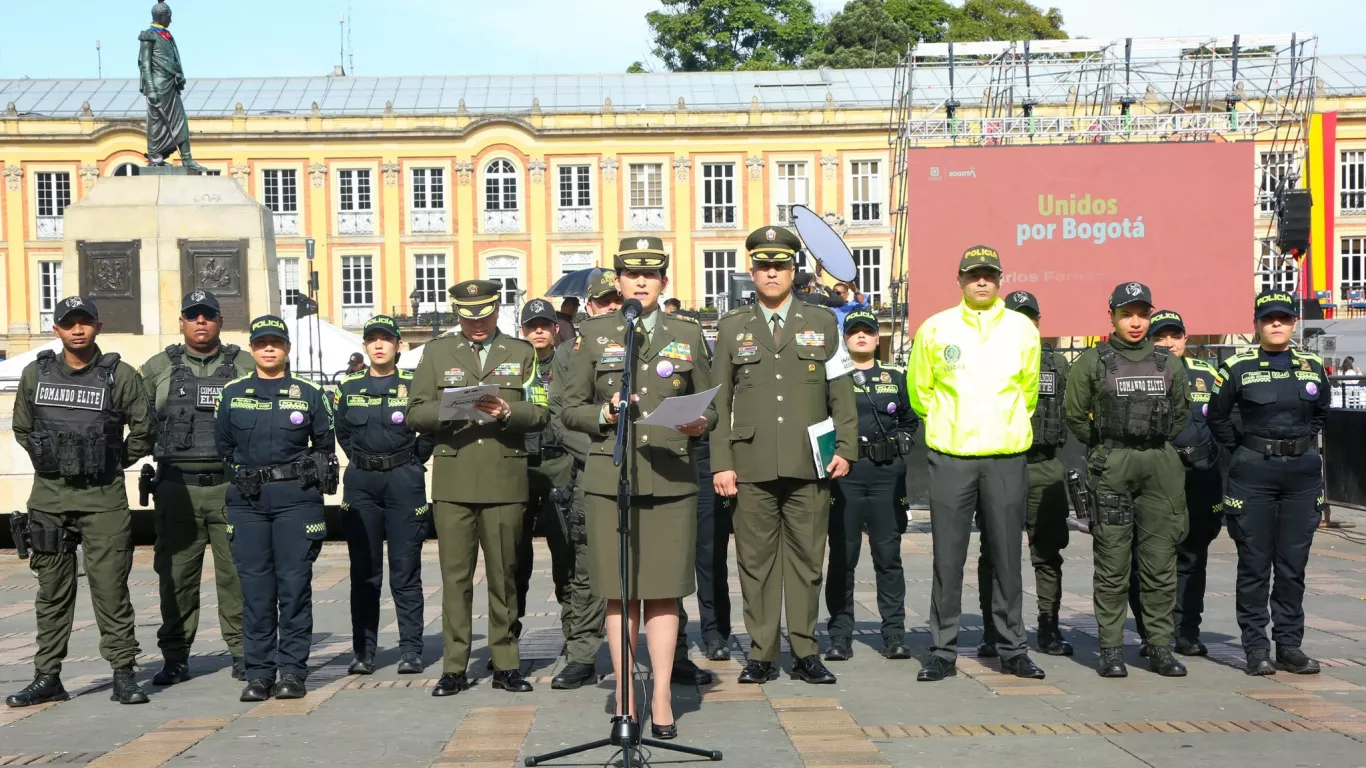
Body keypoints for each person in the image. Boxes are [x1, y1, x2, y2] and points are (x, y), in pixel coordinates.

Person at [561, 237, 714, 739]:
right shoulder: (594, 333)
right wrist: (604, 414)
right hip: (612, 478)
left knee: (665, 592)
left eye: (651, 275)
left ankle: (663, 696)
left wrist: (701, 422)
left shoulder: (686, 333)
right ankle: (626, 698)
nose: (642, 282)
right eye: (632, 274)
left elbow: (712, 405)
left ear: (663, 281)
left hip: (671, 475)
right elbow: (570, 408)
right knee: (619, 592)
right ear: (619, 282)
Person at [712, 226, 857, 687]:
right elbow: (718, 400)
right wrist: (721, 462)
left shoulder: (823, 322)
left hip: (809, 461)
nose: (771, 273)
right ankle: (761, 653)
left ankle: (806, 651)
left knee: (807, 561)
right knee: (755, 563)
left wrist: (846, 447)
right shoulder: (732, 326)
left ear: (794, 271)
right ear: (752, 271)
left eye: (780, 266)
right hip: (750, 462)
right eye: (763, 266)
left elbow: (840, 390)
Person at [6, 296, 154, 708]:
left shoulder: (120, 375)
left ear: (97, 327)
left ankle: (124, 674)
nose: (77, 329)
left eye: (84, 322)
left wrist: (110, 461)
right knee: (52, 593)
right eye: (68, 323)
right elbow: (22, 427)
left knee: (111, 590)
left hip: (103, 501)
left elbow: (145, 430)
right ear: (56, 329)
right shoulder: (36, 374)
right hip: (50, 500)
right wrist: (52, 458)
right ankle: (47, 677)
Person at [908, 246, 1044, 683]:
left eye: (989, 274)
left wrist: (1003, 427)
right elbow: (920, 391)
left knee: (1007, 557)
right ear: (960, 280)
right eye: (973, 275)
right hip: (951, 456)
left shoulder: (1022, 329)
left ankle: (1013, 650)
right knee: (947, 559)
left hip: (1005, 456)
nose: (981, 281)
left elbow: (1028, 391)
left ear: (1000, 279)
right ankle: (942, 651)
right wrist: (948, 424)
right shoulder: (936, 328)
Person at [409, 280, 549, 697]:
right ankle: (454, 666)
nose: (477, 324)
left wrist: (508, 410)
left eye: (484, 315)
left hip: (505, 479)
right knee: (455, 579)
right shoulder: (437, 353)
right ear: (457, 314)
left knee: (505, 576)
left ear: (497, 310)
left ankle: (506, 663)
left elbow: (540, 410)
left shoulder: (521, 352)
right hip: (454, 479)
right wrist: (453, 408)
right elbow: (414, 412)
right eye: (468, 317)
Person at [1064, 282, 1190, 679]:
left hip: (1160, 467)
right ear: (1112, 317)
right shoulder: (1092, 362)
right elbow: (1075, 415)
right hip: (1113, 466)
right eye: (1126, 314)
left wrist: (1150, 444)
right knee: (1112, 564)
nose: (1135, 323)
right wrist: (1109, 446)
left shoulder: (1168, 363)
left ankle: (1159, 647)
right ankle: (1111, 650)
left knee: (1160, 564)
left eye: (1141, 314)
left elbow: (1181, 415)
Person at [1208, 290, 1330, 676]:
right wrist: (1246, 449)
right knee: (1255, 564)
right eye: (1268, 318)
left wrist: (1296, 444)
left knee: (1293, 566)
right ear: (1257, 324)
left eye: (1284, 318)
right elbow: (1217, 416)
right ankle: (1256, 648)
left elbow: (1321, 412)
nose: (1276, 324)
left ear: (1294, 323)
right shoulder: (1237, 366)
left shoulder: (1312, 364)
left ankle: (1289, 646)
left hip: (1301, 474)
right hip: (1254, 474)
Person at [215, 315, 337, 702]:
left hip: (295, 499)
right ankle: (259, 674)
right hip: (248, 501)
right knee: (255, 591)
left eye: (276, 342)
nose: (269, 349)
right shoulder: (232, 393)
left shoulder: (310, 393)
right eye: (262, 343)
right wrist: (247, 474)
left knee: (294, 588)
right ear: (252, 348)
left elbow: (325, 445)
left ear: (287, 348)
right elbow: (223, 446)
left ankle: (293, 672)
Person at [140, 290, 252, 686]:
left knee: (237, 576)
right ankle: (175, 657)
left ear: (220, 321)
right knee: (176, 577)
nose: (200, 322)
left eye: (207, 315)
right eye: (193, 316)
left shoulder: (245, 365)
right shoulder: (157, 367)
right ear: (182, 322)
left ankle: (244, 653)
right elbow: (139, 421)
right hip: (177, 489)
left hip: (231, 487)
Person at [976, 290, 1074, 659]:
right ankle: (993, 630)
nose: (1024, 323)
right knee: (994, 552)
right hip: (1000, 463)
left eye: (1030, 317)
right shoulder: (983, 359)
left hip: (1044, 464)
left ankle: (1049, 628)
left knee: (1048, 551)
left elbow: (1076, 411)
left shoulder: (1058, 364)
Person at [335, 316, 432, 676]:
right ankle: (364, 652)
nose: (379, 345)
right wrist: (364, 460)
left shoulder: (414, 384)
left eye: (385, 339)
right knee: (365, 573)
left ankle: (411, 650)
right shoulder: (348, 387)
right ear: (364, 346)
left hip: (403, 479)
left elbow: (430, 427)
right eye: (372, 339)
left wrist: (411, 460)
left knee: (405, 572)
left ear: (398, 345)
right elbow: (343, 431)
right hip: (362, 481)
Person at [1125, 310, 1226, 659]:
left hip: (1197, 476)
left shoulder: (1208, 374)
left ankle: (1186, 632)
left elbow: (1225, 421)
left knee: (1193, 557)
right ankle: (1150, 632)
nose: (1168, 343)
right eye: (1160, 336)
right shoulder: (1135, 372)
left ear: (1185, 337)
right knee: (1144, 559)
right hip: (1152, 476)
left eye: (1175, 335)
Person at [824, 309, 918, 662]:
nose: (861, 336)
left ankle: (894, 634)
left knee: (888, 556)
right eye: (854, 332)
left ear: (878, 338)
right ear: (845, 339)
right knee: (842, 557)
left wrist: (902, 441)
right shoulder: (833, 376)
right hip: (845, 475)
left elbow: (910, 419)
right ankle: (839, 635)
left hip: (885, 474)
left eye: (867, 331)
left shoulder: (895, 375)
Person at [545, 272, 620, 690]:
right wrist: (599, 453)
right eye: (604, 301)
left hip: (646, 467)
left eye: (617, 300)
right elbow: (560, 417)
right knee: (587, 568)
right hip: (592, 469)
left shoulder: (648, 341)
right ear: (589, 307)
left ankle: (676, 651)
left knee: (656, 564)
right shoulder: (569, 352)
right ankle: (582, 655)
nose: (612, 307)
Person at [513, 299, 577, 660]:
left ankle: (574, 638)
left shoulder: (568, 363)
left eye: (544, 325)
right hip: (520, 464)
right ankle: (508, 639)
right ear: (522, 330)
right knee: (513, 559)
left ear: (555, 329)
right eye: (531, 326)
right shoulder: (513, 365)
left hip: (558, 462)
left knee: (566, 554)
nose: (538, 331)